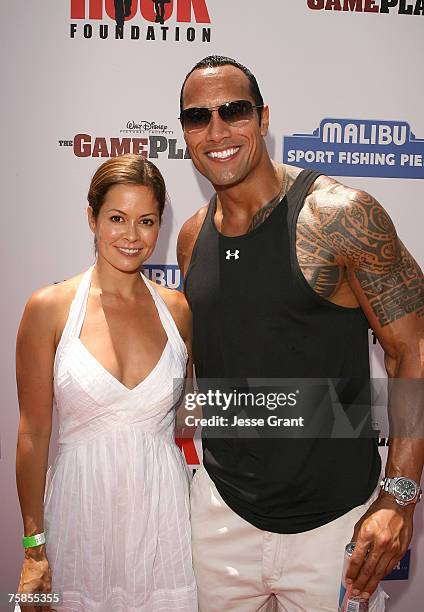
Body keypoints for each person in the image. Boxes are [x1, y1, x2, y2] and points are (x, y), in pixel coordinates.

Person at [177, 55, 424, 611]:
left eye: (233, 111)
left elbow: (415, 350)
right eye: (197, 118)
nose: (216, 131)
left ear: (264, 118)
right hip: (219, 517)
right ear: (185, 132)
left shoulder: (339, 215)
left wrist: (400, 497)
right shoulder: (191, 238)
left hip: (335, 526)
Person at [15, 154, 197, 612]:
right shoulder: (49, 307)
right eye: (117, 218)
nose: (132, 236)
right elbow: (33, 435)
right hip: (79, 516)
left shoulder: (177, 311)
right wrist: (34, 546)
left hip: (163, 519)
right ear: (91, 217)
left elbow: (187, 415)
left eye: (147, 221)